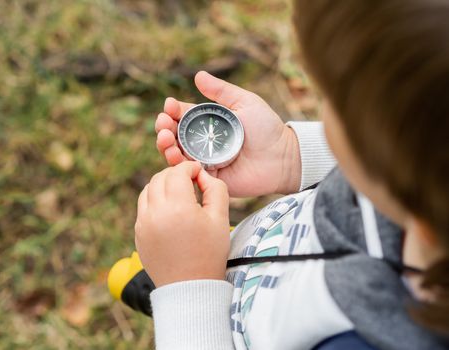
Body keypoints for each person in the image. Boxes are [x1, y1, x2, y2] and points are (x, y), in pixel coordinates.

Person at [134, 0, 449, 349]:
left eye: (332, 102)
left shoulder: (354, 340)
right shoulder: (423, 188)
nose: (324, 110)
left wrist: (187, 294)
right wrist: (292, 157)